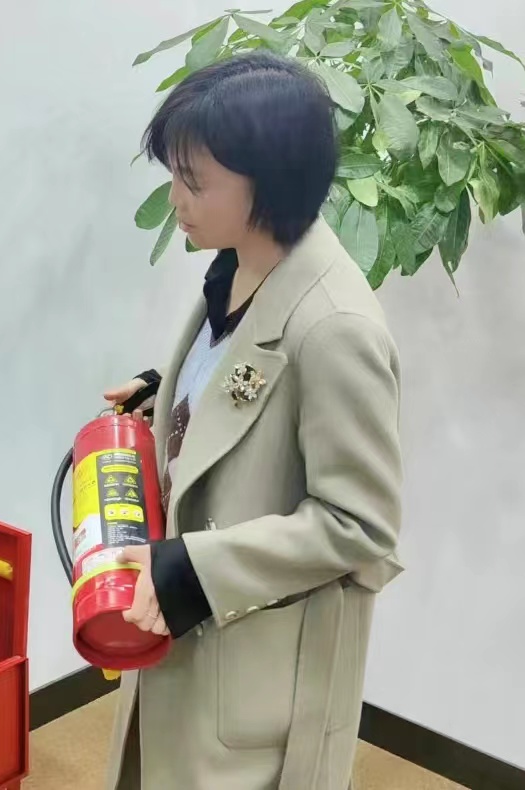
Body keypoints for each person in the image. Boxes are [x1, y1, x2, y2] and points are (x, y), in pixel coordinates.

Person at [102, 52, 404, 789]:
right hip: (183, 636)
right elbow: (244, 381)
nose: (174, 198)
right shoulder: (236, 264)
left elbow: (360, 525)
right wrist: (170, 393)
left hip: (255, 667)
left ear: (268, 184)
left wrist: (196, 567)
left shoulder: (335, 326)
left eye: (193, 181)